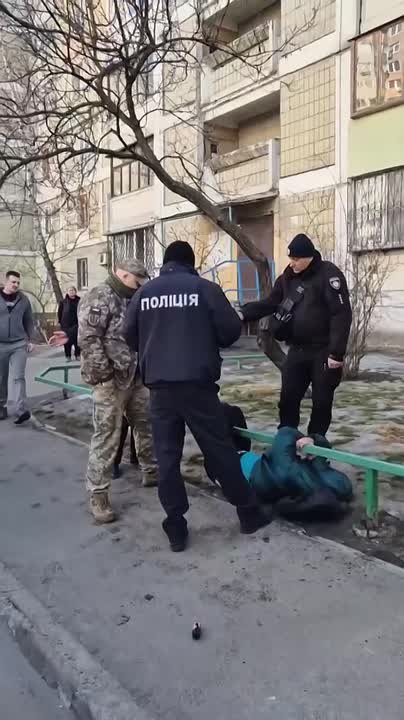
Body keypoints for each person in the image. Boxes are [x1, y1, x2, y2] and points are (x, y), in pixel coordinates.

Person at [124, 240, 271, 552]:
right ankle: (248, 512)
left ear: (165, 263)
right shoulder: (205, 289)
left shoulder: (144, 294)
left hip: (159, 389)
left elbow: (129, 335)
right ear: (190, 264)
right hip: (197, 386)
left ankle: (175, 526)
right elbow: (230, 332)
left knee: (167, 457)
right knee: (220, 450)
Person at [50, 259, 158, 524]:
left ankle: (151, 470)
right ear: (123, 275)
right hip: (110, 381)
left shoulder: (133, 297)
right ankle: (98, 494)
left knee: (146, 424)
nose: (139, 286)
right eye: (136, 281)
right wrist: (105, 374)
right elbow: (88, 339)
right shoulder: (100, 296)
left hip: (136, 375)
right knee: (107, 435)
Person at [239, 233, 352, 437]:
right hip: (297, 349)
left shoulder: (328, 275)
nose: (292, 263)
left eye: (296, 259)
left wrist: (336, 353)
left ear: (309, 257)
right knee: (288, 398)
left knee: (322, 401)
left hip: (323, 351)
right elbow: (271, 302)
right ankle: (287, 438)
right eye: (290, 258)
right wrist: (244, 313)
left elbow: (341, 314)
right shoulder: (287, 278)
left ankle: (316, 442)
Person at [0, 270, 35, 424]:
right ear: (6, 282)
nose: (16, 285)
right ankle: (1, 406)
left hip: (19, 344)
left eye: (18, 283)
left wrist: (31, 339)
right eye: (13, 282)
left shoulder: (23, 300)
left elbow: (29, 320)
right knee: (1, 378)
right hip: (0, 344)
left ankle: (21, 410)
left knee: (18, 377)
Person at [57, 287, 80, 361]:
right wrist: (60, 322)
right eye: (70, 290)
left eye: (73, 290)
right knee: (66, 340)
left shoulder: (79, 301)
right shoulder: (63, 302)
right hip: (66, 325)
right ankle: (68, 356)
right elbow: (59, 313)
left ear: (75, 292)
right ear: (67, 292)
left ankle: (77, 355)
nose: (71, 292)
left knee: (77, 340)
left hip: (76, 324)